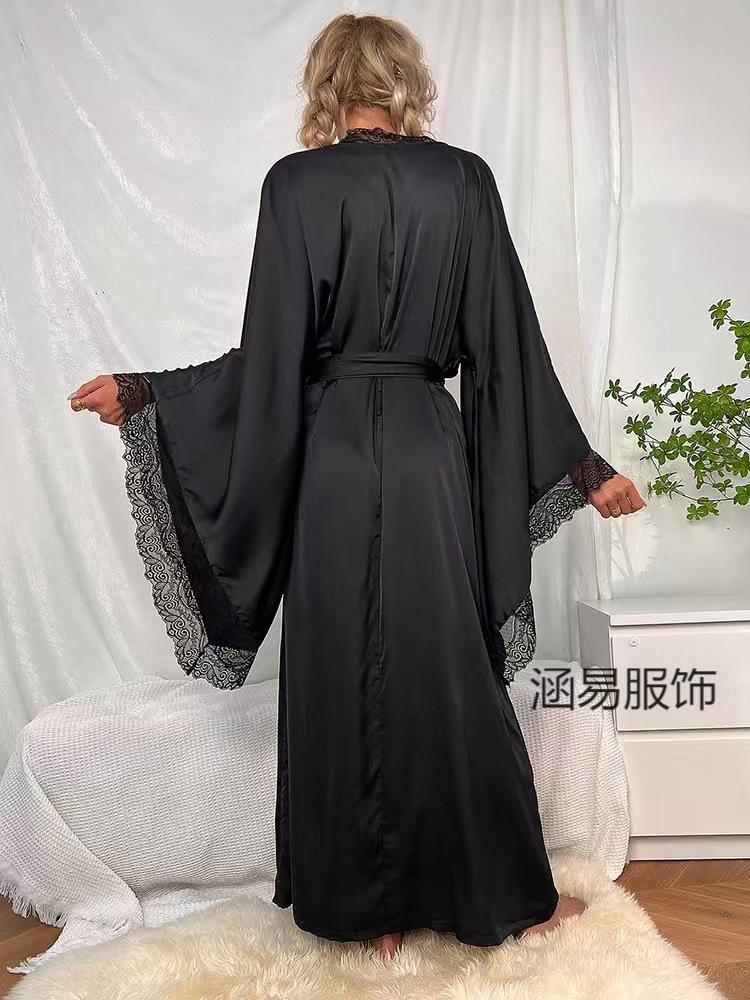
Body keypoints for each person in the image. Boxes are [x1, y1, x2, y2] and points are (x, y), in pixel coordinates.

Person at [68, 14, 644, 962]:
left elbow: (269, 362)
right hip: (426, 450)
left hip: (333, 455)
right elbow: (506, 344)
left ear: (327, 84)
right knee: (451, 667)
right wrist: (586, 469)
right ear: (406, 79)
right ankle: (499, 894)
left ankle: (366, 910)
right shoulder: (464, 181)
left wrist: (148, 395)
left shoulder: (294, 185)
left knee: (342, 665)